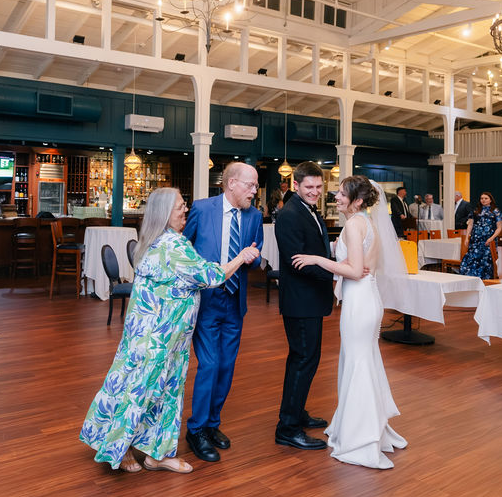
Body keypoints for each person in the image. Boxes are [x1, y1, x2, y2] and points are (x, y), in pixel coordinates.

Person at [79, 188, 259, 474]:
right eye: (180, 206)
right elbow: (211, 275)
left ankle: (157, 453)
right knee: (140, 391)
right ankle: (119, 448)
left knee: (161, 392)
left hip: (164, 336)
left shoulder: (159, 239)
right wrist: (242, 256)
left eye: (184, 205)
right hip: (156, 338)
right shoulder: (172, 245)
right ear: (164, 213)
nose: (185, 210)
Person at [290, 175, 407, 469]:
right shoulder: (366, 223)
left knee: (358, 364)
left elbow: (355, 271)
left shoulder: (355, 225)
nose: (336, 197)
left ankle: (361, 438)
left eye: (342, 194)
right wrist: (337, 255)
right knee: (362, 361)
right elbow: (359, 264)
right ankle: (365, 428)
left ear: (357, 200)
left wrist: (317, 259)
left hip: (359, 302)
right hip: (367, 299)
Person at [183, 162, 264, 463]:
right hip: (206, 300)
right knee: (210, 364)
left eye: (256, 186)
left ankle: (211, 424)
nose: (254, 192)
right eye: (250, 185)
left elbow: (256, 256)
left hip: (234, 301)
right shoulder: (202, 209)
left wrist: (254, 258)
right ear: (232, 183)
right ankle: (196, 430)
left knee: (227, 365)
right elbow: (185, 248)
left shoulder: (255, 216)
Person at [274, 161, 337, 451]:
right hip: (300, 301)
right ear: (296, 185)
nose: (315, 191)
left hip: (311, 299)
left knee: (305, 360)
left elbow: (316, 251)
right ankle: (287, 428)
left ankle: (297, 413)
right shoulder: (289, 214)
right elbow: (296, 262)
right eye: (309, 187)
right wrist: (337, 273)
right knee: (303, 361)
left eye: (318, 187)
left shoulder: (308, 210)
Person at [459, 192, 502, 280]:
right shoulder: (475, 210)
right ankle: (470, 279)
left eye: (486, 198)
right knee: (472, 259)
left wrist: (491, 238)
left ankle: (485, 280)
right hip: (475, 240)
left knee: (486, 261)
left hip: (488, 241)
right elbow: (470, 225)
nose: (483, 200)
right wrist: (467, 237)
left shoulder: (495, 211)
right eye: (482, 198)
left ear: (490, 200)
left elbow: (499, 228)